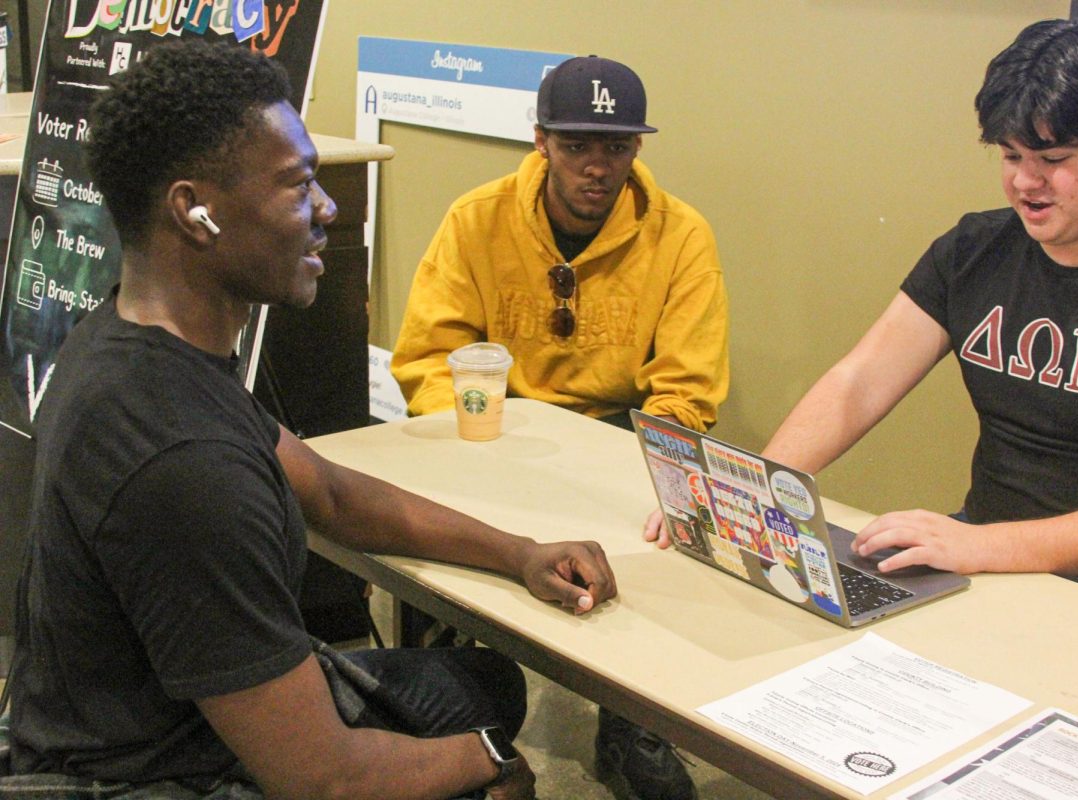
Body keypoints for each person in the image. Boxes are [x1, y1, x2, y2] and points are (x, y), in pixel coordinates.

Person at [2, 41, 617, 800]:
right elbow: (326, 779)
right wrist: (491, 760)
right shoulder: (182, 463)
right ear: (195, 213)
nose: (326, 207)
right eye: (298, 186)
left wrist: (518, 552)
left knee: (485, 682)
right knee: (483, 753)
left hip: (156, 717)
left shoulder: (135, 342)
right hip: (155, 774)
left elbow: (326, 492)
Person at [649, 18, 1078, 623]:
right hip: (985, 555)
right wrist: (750, 498)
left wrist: (978, 545)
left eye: (1053, 159)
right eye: (1011, 155)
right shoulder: (974, 250)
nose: (1024, 182)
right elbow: (858, 383)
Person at [392, 55, 727, 800]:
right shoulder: (477, 219)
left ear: (638, 150)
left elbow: (688, 388)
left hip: (616, 433)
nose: (596, 168)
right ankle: (441, 694)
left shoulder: (681, 236)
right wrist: (483, 444)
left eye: (616, 148)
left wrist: (648, 468)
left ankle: (633, 717)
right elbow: (427, 357)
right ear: (541, 140)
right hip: (495, 429)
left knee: (657, 532)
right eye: (577, 146)